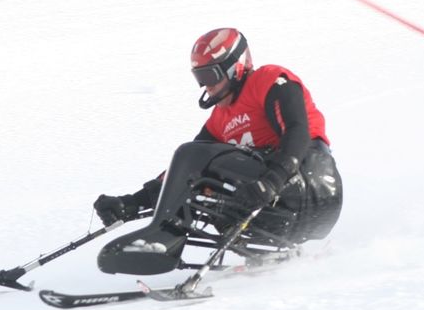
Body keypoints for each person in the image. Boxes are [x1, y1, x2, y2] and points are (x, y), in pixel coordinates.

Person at [94, 28, 343, 275]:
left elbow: (298, 130)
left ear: (236, 67)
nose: (207, 87)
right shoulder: (219, 120)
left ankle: (161, 239)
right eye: (199, 78)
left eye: (210, 76)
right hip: (283, 213)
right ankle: (261, 255)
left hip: (311, 184)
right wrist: (132, 202)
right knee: (198, 177)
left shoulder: (267, 80)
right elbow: (180, 175)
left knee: (193, 156)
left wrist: (272, 180)